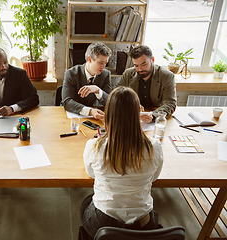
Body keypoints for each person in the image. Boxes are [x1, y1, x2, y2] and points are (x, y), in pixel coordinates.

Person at [80, 86, 163, 238]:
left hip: (103, 221)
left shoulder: (94, 146)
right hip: (143, 223)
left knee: (85, 204)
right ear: (137, 113)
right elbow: (154, 177)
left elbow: (91, 173)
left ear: (109, 114)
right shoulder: (154, 146)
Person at [117, 45, 176, 123]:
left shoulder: (167, 76)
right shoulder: (128, 74)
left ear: (152, 60)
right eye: (136, 65)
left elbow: (170, 103)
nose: (140, 69)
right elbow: (117, 96)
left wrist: (154, 115)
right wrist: (131, 104)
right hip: (132, 117)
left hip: (156, 118)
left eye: (144, 64)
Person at [62, 42, 113, 120]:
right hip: (71, 117)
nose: (103, 67)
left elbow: (110, 102)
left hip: (92, 118)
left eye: (105, 63)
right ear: (89, 59)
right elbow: (67, 102)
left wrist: (97, 90)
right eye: (100, 63)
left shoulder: (105, 75)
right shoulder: (71, 73)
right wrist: (90, 111)